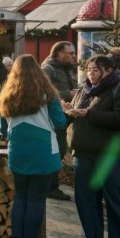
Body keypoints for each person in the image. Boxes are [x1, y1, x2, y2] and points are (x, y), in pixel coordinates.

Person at [0, 55, 66, 238]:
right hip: (44, 150)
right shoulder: (48, 94)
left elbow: (3, 128)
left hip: (18, 149)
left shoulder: (7, 95)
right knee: (37, 199)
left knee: (21, 197)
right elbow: (60, 121)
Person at [66, 54, 120, 238]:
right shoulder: (84, 89)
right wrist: (69, 111)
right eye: (89, 69)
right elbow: (77, 111)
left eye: (96, 69)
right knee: (85, 199)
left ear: (109, 70)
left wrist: (89, 114)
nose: (91, 73)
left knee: (116, 201)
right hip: (83, 152)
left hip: (109, 155)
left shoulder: (119, 89)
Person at [41, 41, 77, 200]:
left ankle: (51, 186)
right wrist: (68, 94)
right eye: (70, 53)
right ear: (58, 54)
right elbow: (42, 90)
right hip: (53, 119)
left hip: (65, 116)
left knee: (60, 151)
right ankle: (50, 187)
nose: (73, 56)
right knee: (56, 151)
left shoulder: (67, 68)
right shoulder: (48, 68)